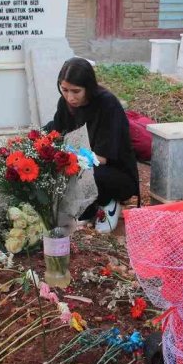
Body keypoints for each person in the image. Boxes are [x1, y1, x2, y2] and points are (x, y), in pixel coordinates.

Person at [45, 57, 139, 233]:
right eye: (64, 90)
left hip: (113, 173)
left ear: (89, 87)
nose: (70, 97)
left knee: (81, 172)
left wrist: (70, 158)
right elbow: (56, 133)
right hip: (82, 164)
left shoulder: (107, 105)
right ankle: (88, 208)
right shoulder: (65, 104)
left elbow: (102, 157)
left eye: (76, 91)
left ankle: (108, 201)